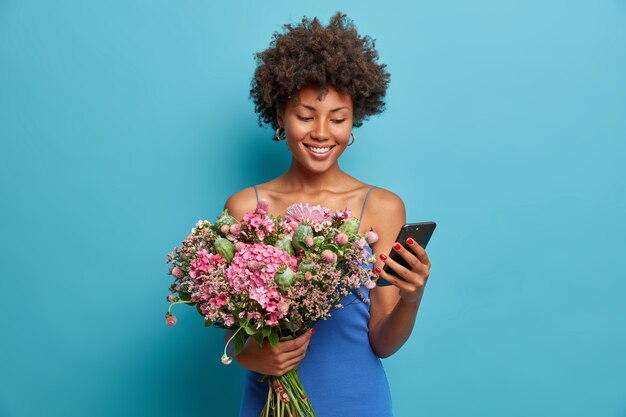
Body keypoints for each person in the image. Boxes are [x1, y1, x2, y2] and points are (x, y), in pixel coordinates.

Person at [223, 12, 432, 417]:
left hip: (357, 400)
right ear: (281, 115)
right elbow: (235, 333)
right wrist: (255, 358)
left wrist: (411, 299)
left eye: (338, 118)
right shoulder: (244, 208)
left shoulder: (383, 207)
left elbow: (382, 343)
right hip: (271, 401)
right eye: (305, 116)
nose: (321, 132)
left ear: (355, 121)